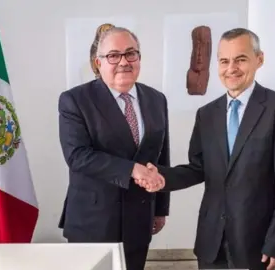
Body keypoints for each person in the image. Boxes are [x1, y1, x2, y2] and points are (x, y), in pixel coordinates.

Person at [139, 28, 275, 270]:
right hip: (211, 242)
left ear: (259, 59)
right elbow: (198, 169)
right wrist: (161, 177)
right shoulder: (206, 114)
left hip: (257, 244)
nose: (231, 68)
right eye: (224, 61)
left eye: (240, 59)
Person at [58, 26, 169, 270]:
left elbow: (161, 157)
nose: (123, 62)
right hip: (93, 222)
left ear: (139, 58)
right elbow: (77, 156)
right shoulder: (75, 100)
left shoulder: (157, 99)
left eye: (131, 54)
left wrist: (160, 208)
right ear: (98, 62)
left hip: (139, 218)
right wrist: (132, 170)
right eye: (113, 55)